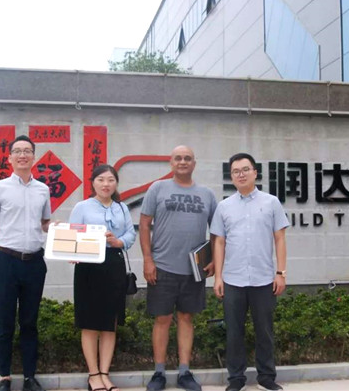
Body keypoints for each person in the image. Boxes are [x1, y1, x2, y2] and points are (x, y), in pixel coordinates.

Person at [140, 145, 217, 391]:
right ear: (171, 163)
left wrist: (214, 258)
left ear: (194, 163)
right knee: (162, 319)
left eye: (187, 158)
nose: (183, 162)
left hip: (194, 269)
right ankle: (159, 372)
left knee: (186, 318)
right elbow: (144, 224)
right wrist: (148, 259)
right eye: (178, 158)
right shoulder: (158, 188)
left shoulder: (207, 194)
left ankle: (184, 372)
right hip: (162, 266)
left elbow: (217, 231)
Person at [210, 153, 289, 391]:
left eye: (245, 169)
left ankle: (266, 377)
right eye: (236, 171)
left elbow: (280, 238)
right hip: (233, 280)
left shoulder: (271, 202)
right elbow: (219, 242)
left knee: (264, 331)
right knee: (234, 332)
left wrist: (281, 272)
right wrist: (218, 277)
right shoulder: (224, 206)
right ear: (231, 176)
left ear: (255, 172)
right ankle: (236, 379)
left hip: (264, 279)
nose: (241, 174)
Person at [0, 135, 51, 391]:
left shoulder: (43, 189)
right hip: (7, 261)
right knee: (5, 322)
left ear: (34, 157)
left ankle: (29, 377)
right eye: (18, 151)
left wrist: (66, 233)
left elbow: (45, 224)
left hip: (34, 262)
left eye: (27, 151)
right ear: (10, 157)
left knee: (30, 322)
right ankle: (4, 377)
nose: (23, 155)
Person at [69, 164, 136, 391]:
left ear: (116, 183)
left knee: (110, 323)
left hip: (114, 265)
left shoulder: (121, 208)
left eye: (110, 180)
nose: (106, 184)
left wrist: (119, 241)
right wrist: (73, 252)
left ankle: (105, 373)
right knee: (90, 323)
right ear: (93, 183)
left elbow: (130, 234)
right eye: (101, 180)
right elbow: (72, 234)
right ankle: (93, 375)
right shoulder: (82, 207)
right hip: (89, 268)